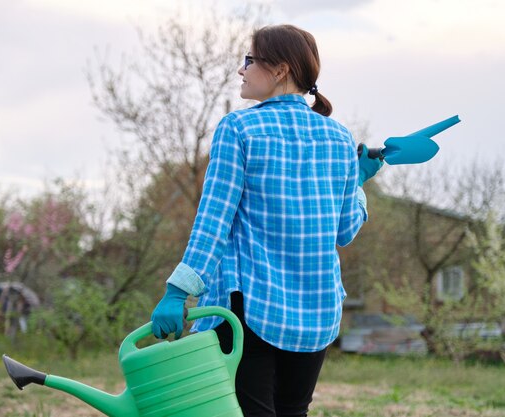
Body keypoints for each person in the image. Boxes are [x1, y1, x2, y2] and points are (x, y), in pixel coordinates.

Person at [150, 24, 383, 417]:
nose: (242, 70)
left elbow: (213, 222)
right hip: (317, 310)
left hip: (250, 307)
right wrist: (358, 183)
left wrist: (178, 291)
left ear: (280, 70)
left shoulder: (238, 129)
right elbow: (343, 231)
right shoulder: (340, 139)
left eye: (249, 61)